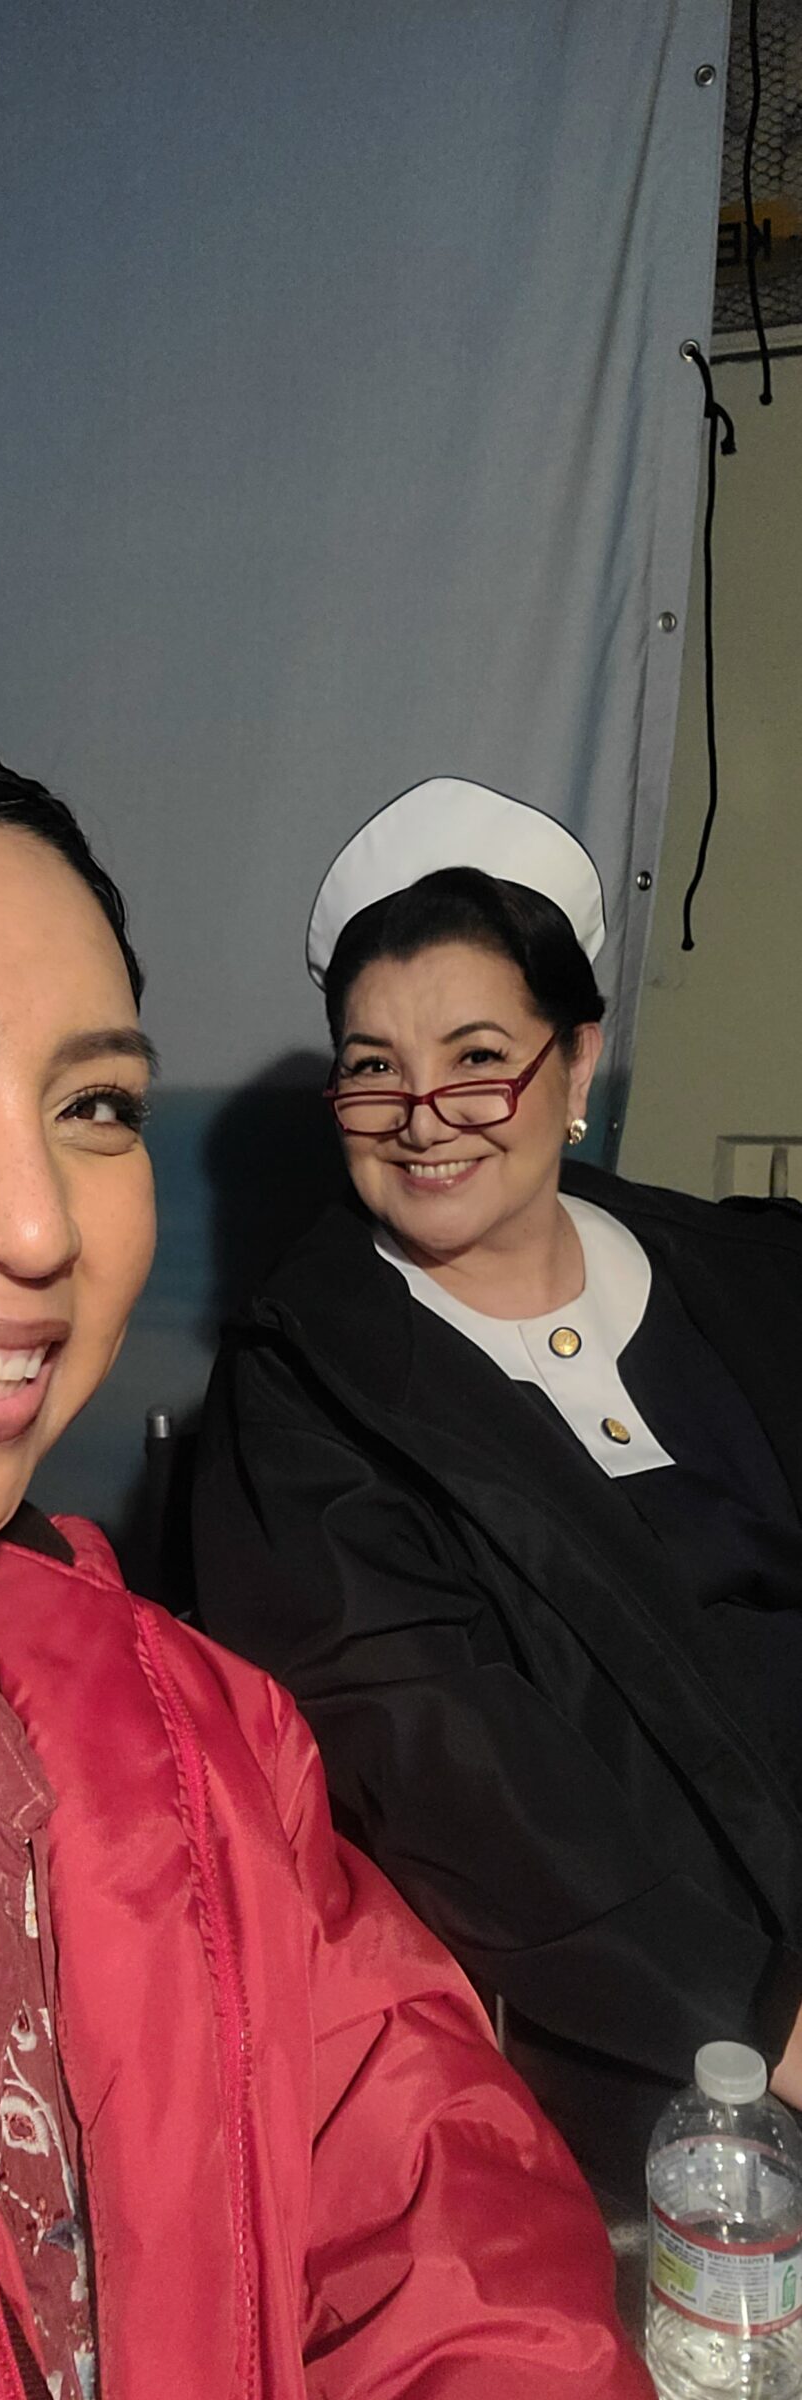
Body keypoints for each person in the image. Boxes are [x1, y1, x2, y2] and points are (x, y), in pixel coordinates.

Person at [0, 739, 691, 2400]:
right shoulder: (313, 1405)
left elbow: (455, 2278)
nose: (37, 1225)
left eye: (96, 1105)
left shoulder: (193, 1736)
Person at [194, 775, 802, 2204]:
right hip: (650, 2055)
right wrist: (764, 2024)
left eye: (477, 1057)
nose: (423, 1118)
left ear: (577, 1065)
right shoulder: (303, 1392)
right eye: (373, 1068)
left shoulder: (760, 1276)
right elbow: (450, 1772)